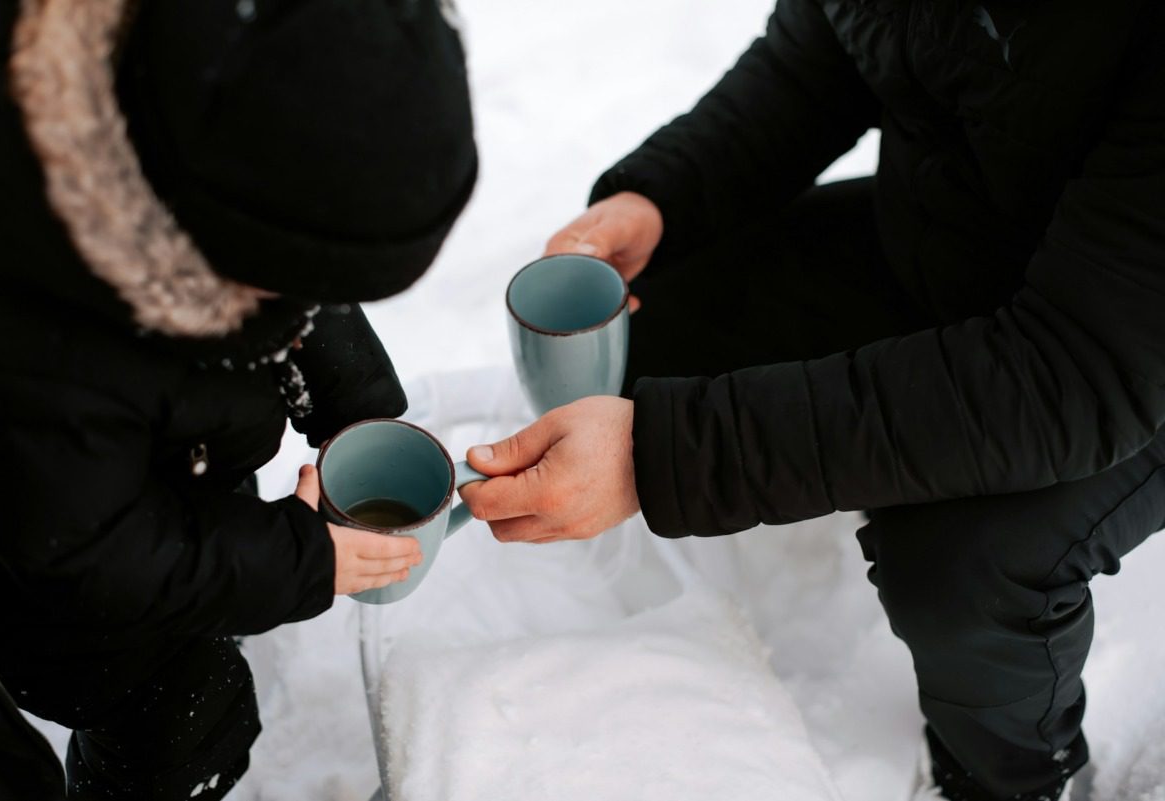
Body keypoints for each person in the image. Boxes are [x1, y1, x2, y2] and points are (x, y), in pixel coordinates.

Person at [458, 1, 1165, 799]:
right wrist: (661, 198)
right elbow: (821, 59)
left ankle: (1017, 777)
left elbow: (1071, 374)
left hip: (1114, 357)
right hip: (949, 237)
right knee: (652, 322)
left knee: (961, 566)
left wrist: (655, 455)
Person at [0, 0, 475, 798]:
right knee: (183, 718)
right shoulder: (29, 334)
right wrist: (295, 560)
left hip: (172, 468)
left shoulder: (222, 129)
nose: (308, 301)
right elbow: (85, 555)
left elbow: (298, 266)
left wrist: (356, 400)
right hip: (46, 583)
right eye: (288, 282)